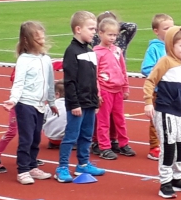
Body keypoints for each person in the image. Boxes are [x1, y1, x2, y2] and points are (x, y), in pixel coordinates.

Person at [143, 26, 181, 199]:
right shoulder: (165, 61)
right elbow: (150, 81)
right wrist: (148, 103)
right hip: (165, 111)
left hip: (179, 112)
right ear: (170, 46)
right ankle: (165, 182)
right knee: (168, 147)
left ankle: (177, 178)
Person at [2, 21, 57, 185]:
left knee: (35, 138)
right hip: (25, 103)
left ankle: (33, 165)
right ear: (27, 40)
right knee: (26, 138)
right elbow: (18, 83)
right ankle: (23, 169)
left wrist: (52, 101)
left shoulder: (46, 59)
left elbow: (50, 82)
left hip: (41, 104)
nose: (41, 38)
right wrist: (13, 100)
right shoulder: (24, 60)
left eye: (42, 34)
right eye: (36, 35)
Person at [55, 10, 105, 183]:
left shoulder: (90, 51)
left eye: (95, 29)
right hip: (77, 104)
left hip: (90, 102)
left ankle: (83, 164)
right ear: (78, 29)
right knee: (71, 136)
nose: (94, 32)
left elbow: (92, 78)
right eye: (91, 29)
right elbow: (69, 81)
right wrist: (74, 104)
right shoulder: (71, 51)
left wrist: (96, 97)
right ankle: (62, 167)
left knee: (86, 135)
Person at [90, 11, 137, 154]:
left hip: (118, 90)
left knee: (120, 119)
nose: (113, 38)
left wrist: (125, 88)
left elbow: (123, 69)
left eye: (115, 35)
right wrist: (98, 93)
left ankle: (123, 143)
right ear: (100, 34)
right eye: (109, 35)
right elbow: (95, 75)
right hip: (105, 90)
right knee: (103, 120)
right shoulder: (96, 53)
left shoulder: (117, 50)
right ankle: (104, 146)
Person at [141, 13, 174, 161]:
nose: (170, 30)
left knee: (172, 119)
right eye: (166, 28)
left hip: (172, 91)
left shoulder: (174, 47)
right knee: (156, 120)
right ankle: (154, 147)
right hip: (158, 91)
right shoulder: (154, 48)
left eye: (172, 27)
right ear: (156, 31)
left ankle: (168, 145)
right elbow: (146, 68)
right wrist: (162, 75)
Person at [43, 79, 68, 149]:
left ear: (57, 94)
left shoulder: (48, 106)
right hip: (65, 138)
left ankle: (53, 142)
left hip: (51, 137)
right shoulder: (72, 106)